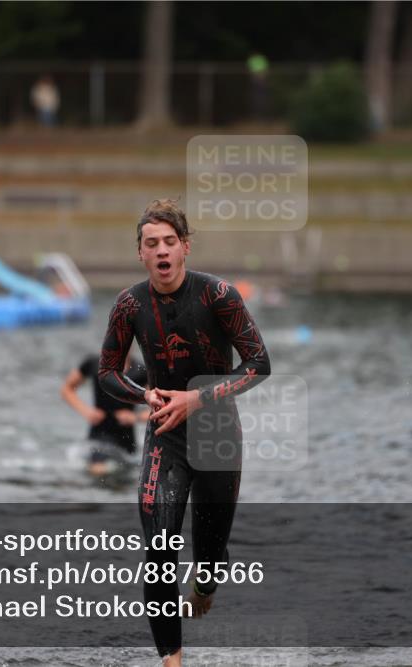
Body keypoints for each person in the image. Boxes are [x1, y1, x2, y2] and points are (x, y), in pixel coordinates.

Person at [98, 199, 271, 666]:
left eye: (169, 242)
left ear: (185, 247)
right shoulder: (130, 304)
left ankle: (207, 581)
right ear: (140, 253)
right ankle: (172, 661)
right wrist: (146, 396)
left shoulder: (218, 295)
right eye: (151, 243)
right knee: (158, 549)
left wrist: (197, 397)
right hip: (165, 433)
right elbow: (108, 371)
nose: (161, 251)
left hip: (217, 432)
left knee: (209, 556)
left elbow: (260, 364)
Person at [60, 354, 148, 476]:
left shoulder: (141, 370)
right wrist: (86, 412)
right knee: (98, 469)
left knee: (123, 473)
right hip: (98, 435)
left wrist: (135, 417)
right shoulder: (95, 364)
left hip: (126, 440)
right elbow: (67, 389)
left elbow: (159, 406)